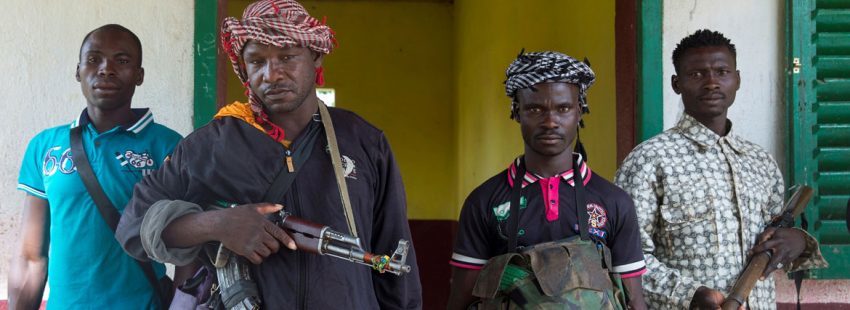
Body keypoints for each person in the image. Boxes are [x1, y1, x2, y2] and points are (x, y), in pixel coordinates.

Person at [114, 0, 422, 309]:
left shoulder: (364, 142)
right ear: (244, 67)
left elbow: (396, 268)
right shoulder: (212, 145)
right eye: (257, 61)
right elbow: (133, 226)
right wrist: (217, 224)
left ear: (315, 58)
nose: (271, 74)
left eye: (287, 57)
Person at [614, 29, 828, 309]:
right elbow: (626, 257)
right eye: (697, 74)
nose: (712, 82)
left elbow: (776, 239)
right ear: (676, 84)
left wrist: (797, 242)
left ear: (737, 80)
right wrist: (690, 295)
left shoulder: (760, 161)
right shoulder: (649, 160)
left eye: (722, 71)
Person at [447, 51, 647, 309]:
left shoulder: (613, 201)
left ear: (580, 112)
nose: (550, 121)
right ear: (517, 113)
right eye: (535, 109)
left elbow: (634, 300)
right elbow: (462, 299)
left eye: (563, 108)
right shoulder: (484, 201)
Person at [9, 24, 182, 309]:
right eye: (94, 59)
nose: (106, 69)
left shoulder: (168, 146)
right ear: (78, 71)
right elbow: (30, 255)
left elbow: (193, 247)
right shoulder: (46, 146)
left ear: (139, 76)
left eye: (122, 61)